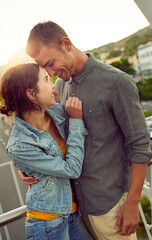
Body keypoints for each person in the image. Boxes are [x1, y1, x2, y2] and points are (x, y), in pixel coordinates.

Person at [20, 21, 152, 240]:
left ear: (66, 43)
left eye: (51, 62)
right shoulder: (61, 86)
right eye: (46, 68)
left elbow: (140, 146)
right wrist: (29, 166)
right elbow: (57, 138)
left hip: (111, 209)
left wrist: (132, 203)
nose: (51, 72)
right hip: (78, 210)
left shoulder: (116, 82)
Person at [0, 63, 93, 240]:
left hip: (73, 214)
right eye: (45, 80)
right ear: (31, 93)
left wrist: (27, 168)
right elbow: (71, 169)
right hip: (47, 224)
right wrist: (76, 122)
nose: (52, 85)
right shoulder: (19, 145)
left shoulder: (57, 112)